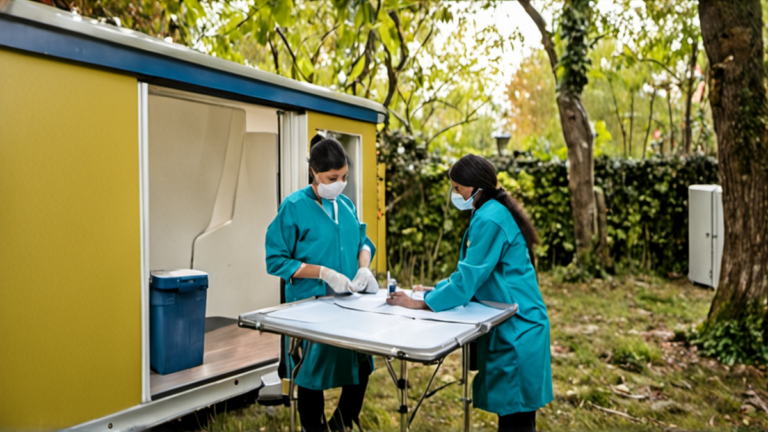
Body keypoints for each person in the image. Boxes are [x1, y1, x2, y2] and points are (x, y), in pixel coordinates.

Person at [387, 154, 553, 432]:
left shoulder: (490, 218)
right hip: (514, 322)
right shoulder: (490, 211)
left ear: (476, 188)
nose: (455, 194)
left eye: (457, 189)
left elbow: (467, 280)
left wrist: (421, 303)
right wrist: (436, 289)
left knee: (518, 421)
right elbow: (476, 274)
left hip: (519, 329)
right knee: (516, 418)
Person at [265, 137, 378, 432]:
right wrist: (322, 273)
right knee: (311, 374)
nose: (339, 183)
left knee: (361, 365)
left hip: (349, 305)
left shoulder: (346, 204)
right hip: (311, 307)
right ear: (314, 172)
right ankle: (312, 428)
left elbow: (363, 241)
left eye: (344, 177)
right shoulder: (294, 207)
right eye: (332, 178)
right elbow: (276, 259)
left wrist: (363, 268)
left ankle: (341, 423)